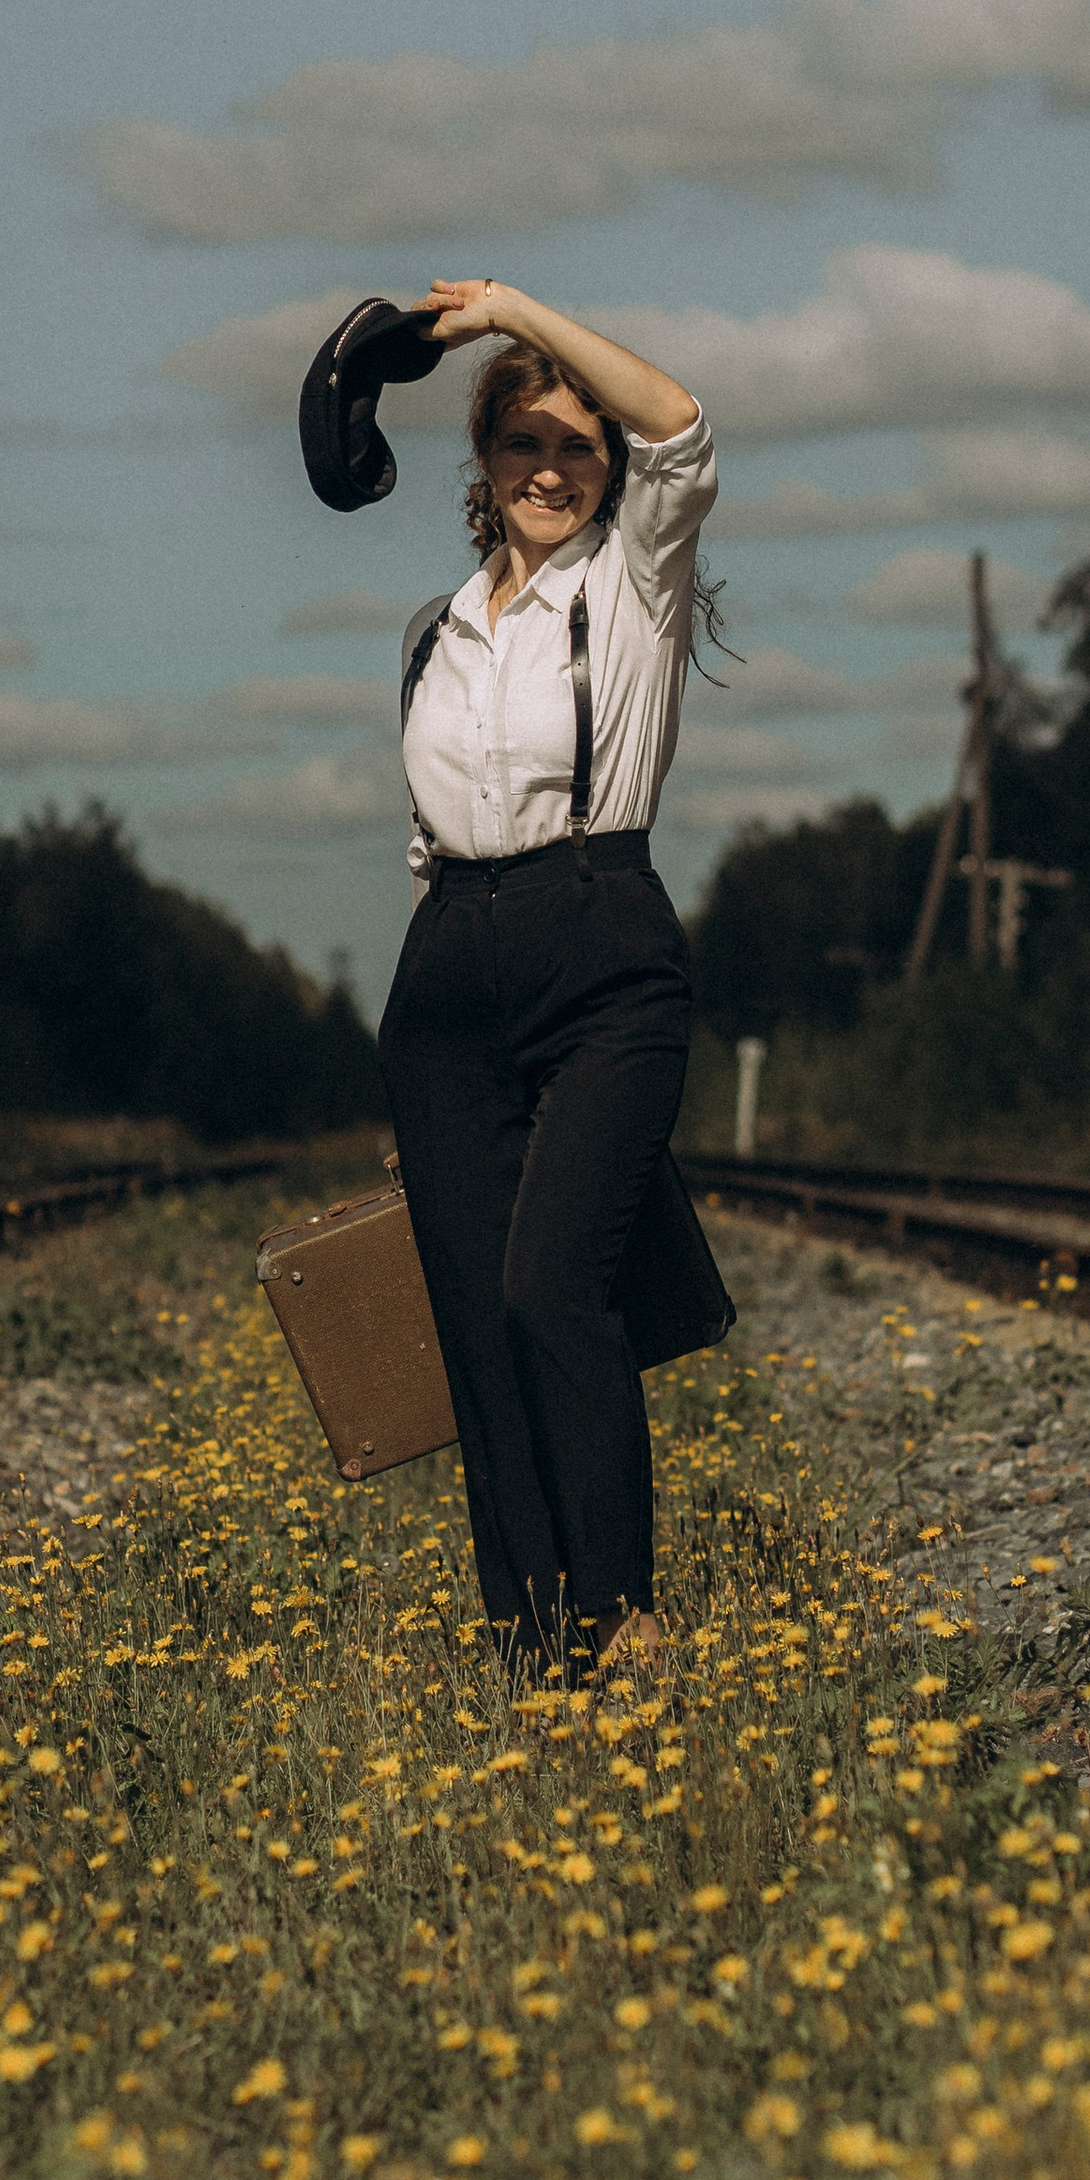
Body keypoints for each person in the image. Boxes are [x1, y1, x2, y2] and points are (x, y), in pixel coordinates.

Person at [376, 275, 719, 1680]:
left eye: (580, 446)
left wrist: (514, 310)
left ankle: (620, 1612)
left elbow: (684, 424)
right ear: (485, 462)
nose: (553, 470)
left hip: (603, 941)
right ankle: (527, 1641)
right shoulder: (435, 634)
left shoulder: (633, 580)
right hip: (452, 958)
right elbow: (427, 839)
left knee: (547, 1287)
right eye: (525, 441)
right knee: (473, 1318)